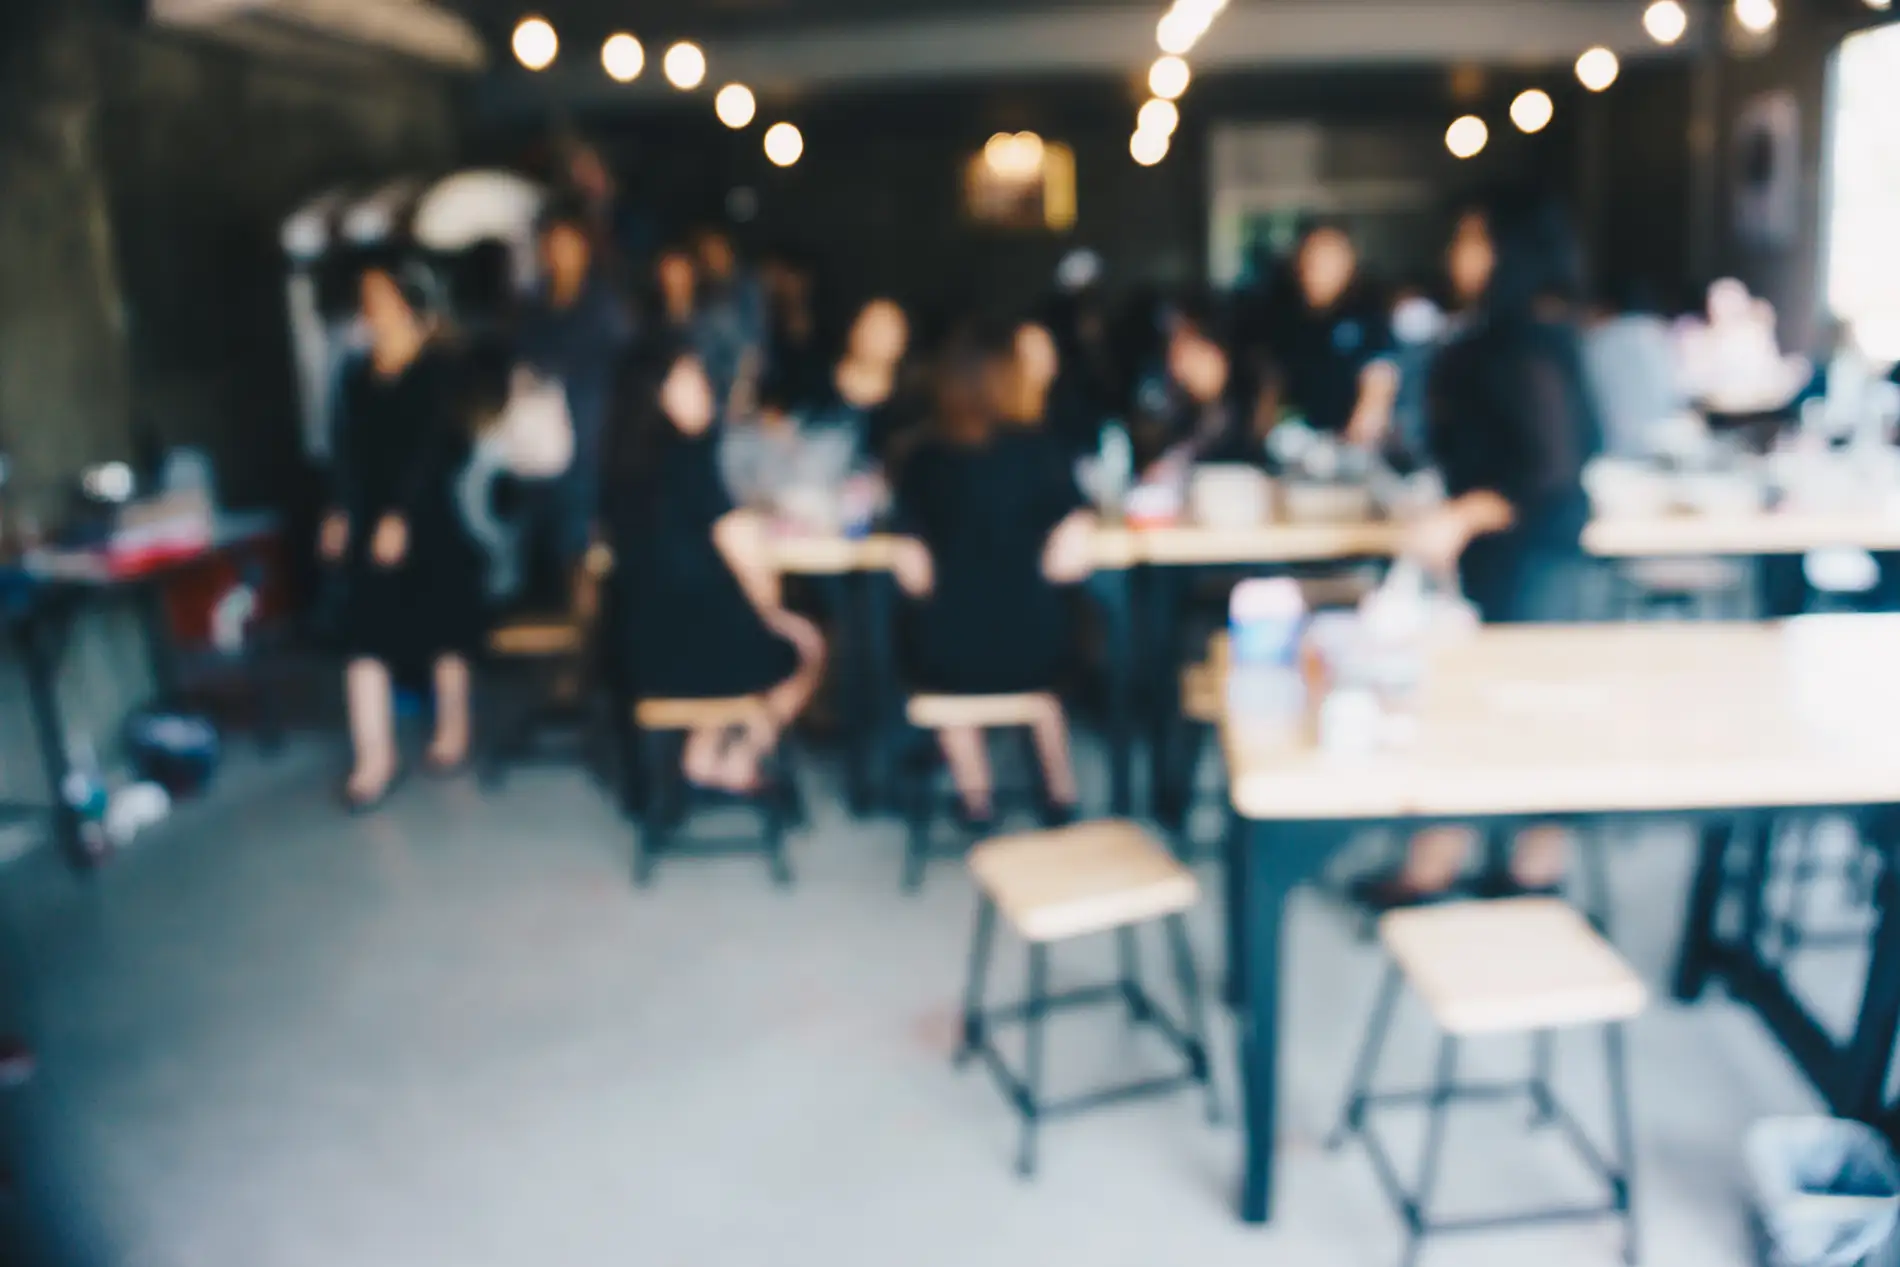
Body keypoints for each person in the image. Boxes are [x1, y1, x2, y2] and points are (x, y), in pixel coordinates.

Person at [1355, 193, 1604, 908]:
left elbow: (1550, 468)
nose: (1456, 255)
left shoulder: (1529, 339)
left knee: (1528, 710)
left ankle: (1522, 867)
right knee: (1480, 704)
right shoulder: (1500, 335)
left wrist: (1462, 514)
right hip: (1507, 553)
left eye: (1472, 240)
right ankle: (1463, 852)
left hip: (1536, 556)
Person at [888, 325, 1096, 825]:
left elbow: (911, 574)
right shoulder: (1040, 451)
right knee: (1045, 686)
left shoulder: (921, 459)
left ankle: (976, 798)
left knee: (945, 669)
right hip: (1034, 648)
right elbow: (1071, 559)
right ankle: (1060, 793)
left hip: (950, 651)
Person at [607, 336, 825, 792]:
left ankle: (702, 754)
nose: (704, 388)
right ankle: (735, 760)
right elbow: (745, 551)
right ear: (655, 393)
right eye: (688, 380)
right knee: (806, 645)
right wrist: (771, 608)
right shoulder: (691, 455)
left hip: (640, 656)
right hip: (698, 656)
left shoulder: (621, 468)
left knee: (739, 635)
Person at [320, 263, 487, 810]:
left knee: (442, 626)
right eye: (365, 296)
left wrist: (402, 513)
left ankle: (453, 732)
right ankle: (374, 758)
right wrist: (341, 509)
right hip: (370, 516)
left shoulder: (439, 367)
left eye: (381, 294)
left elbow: (436, 446)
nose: (371, 306)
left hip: (428, 514)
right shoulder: (354, 373)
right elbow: (344, 448)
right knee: (364, 633)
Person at [516, 196, 633, 578]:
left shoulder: (604, 305)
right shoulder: (534, 304)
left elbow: (623, 367)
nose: (557, 253)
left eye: (566, 243)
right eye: (551, 244)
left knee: (583, 541)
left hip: (591, 434)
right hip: (541, 437)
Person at [1260, 221, 1400, 446]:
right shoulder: (1287, 318)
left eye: (1327, 259)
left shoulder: (1369, 318)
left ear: (1348, 263)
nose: (1315, 268)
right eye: (1310, 258)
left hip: (1350, 450)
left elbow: (1377, 393)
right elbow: (1272, 386)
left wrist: (1349, 449)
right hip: (1296, 445)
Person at [1584, 278, 1685, 458]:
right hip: (1661, 441)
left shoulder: (1599, 340)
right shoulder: (1656, 333)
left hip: (1614, 448)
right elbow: (1677, 388)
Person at [690, 227, 769, 424]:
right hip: (708, 396)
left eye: (717, 251)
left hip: (743, 392)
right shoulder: (703, 299)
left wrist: (742, 388)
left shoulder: (748, 290)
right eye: (706, 255)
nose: (712, 260)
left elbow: (754, 346)